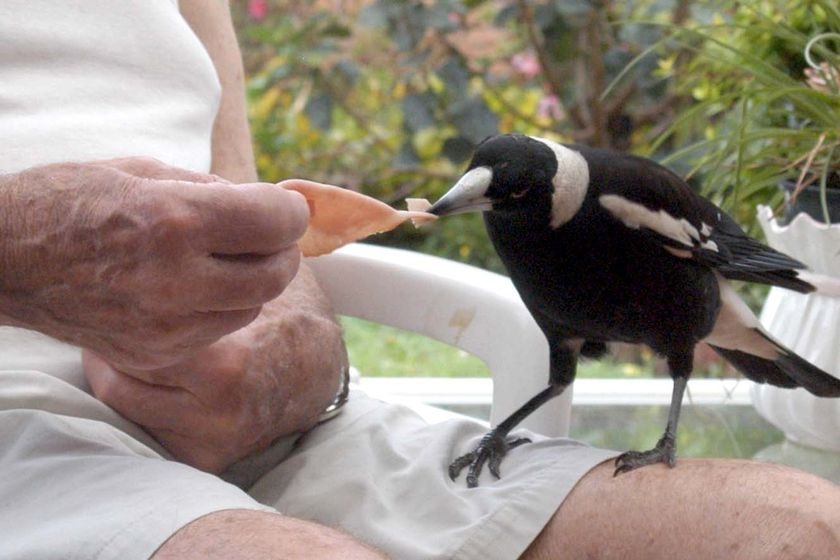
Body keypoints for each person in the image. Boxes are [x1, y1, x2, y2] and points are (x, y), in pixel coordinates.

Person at [1, 2, 839, 559]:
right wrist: (19, 251)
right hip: (22, 435)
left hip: (278, 430)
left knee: (802, 532)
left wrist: (296, 338)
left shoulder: (619, 200)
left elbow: (235, 179)